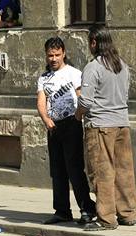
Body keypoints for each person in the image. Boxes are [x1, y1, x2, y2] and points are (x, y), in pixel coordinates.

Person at [75, 25, 136, 231]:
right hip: (122, 123)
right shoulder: (121, 65)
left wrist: (77, 115)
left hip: (100, 125)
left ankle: (106, 218)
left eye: (89, 42)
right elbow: (125, 95)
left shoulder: (93, 67)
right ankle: (127, 214)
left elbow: (86, 102)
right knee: (124, 171)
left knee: (102, 172)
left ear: (94, 42)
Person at [36, 37, 96, 225]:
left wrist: (79, 118)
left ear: (64, 54)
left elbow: (81, 97)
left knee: (75, 169)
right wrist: (46, 119)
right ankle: (62, 211)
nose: (53, 59)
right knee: (58, 171)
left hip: (71, 123)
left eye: (57, 55)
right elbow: (41, 101)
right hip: (54, 127)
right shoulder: (44, 78)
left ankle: (87, 209)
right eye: (50, 55)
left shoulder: (74, 74)